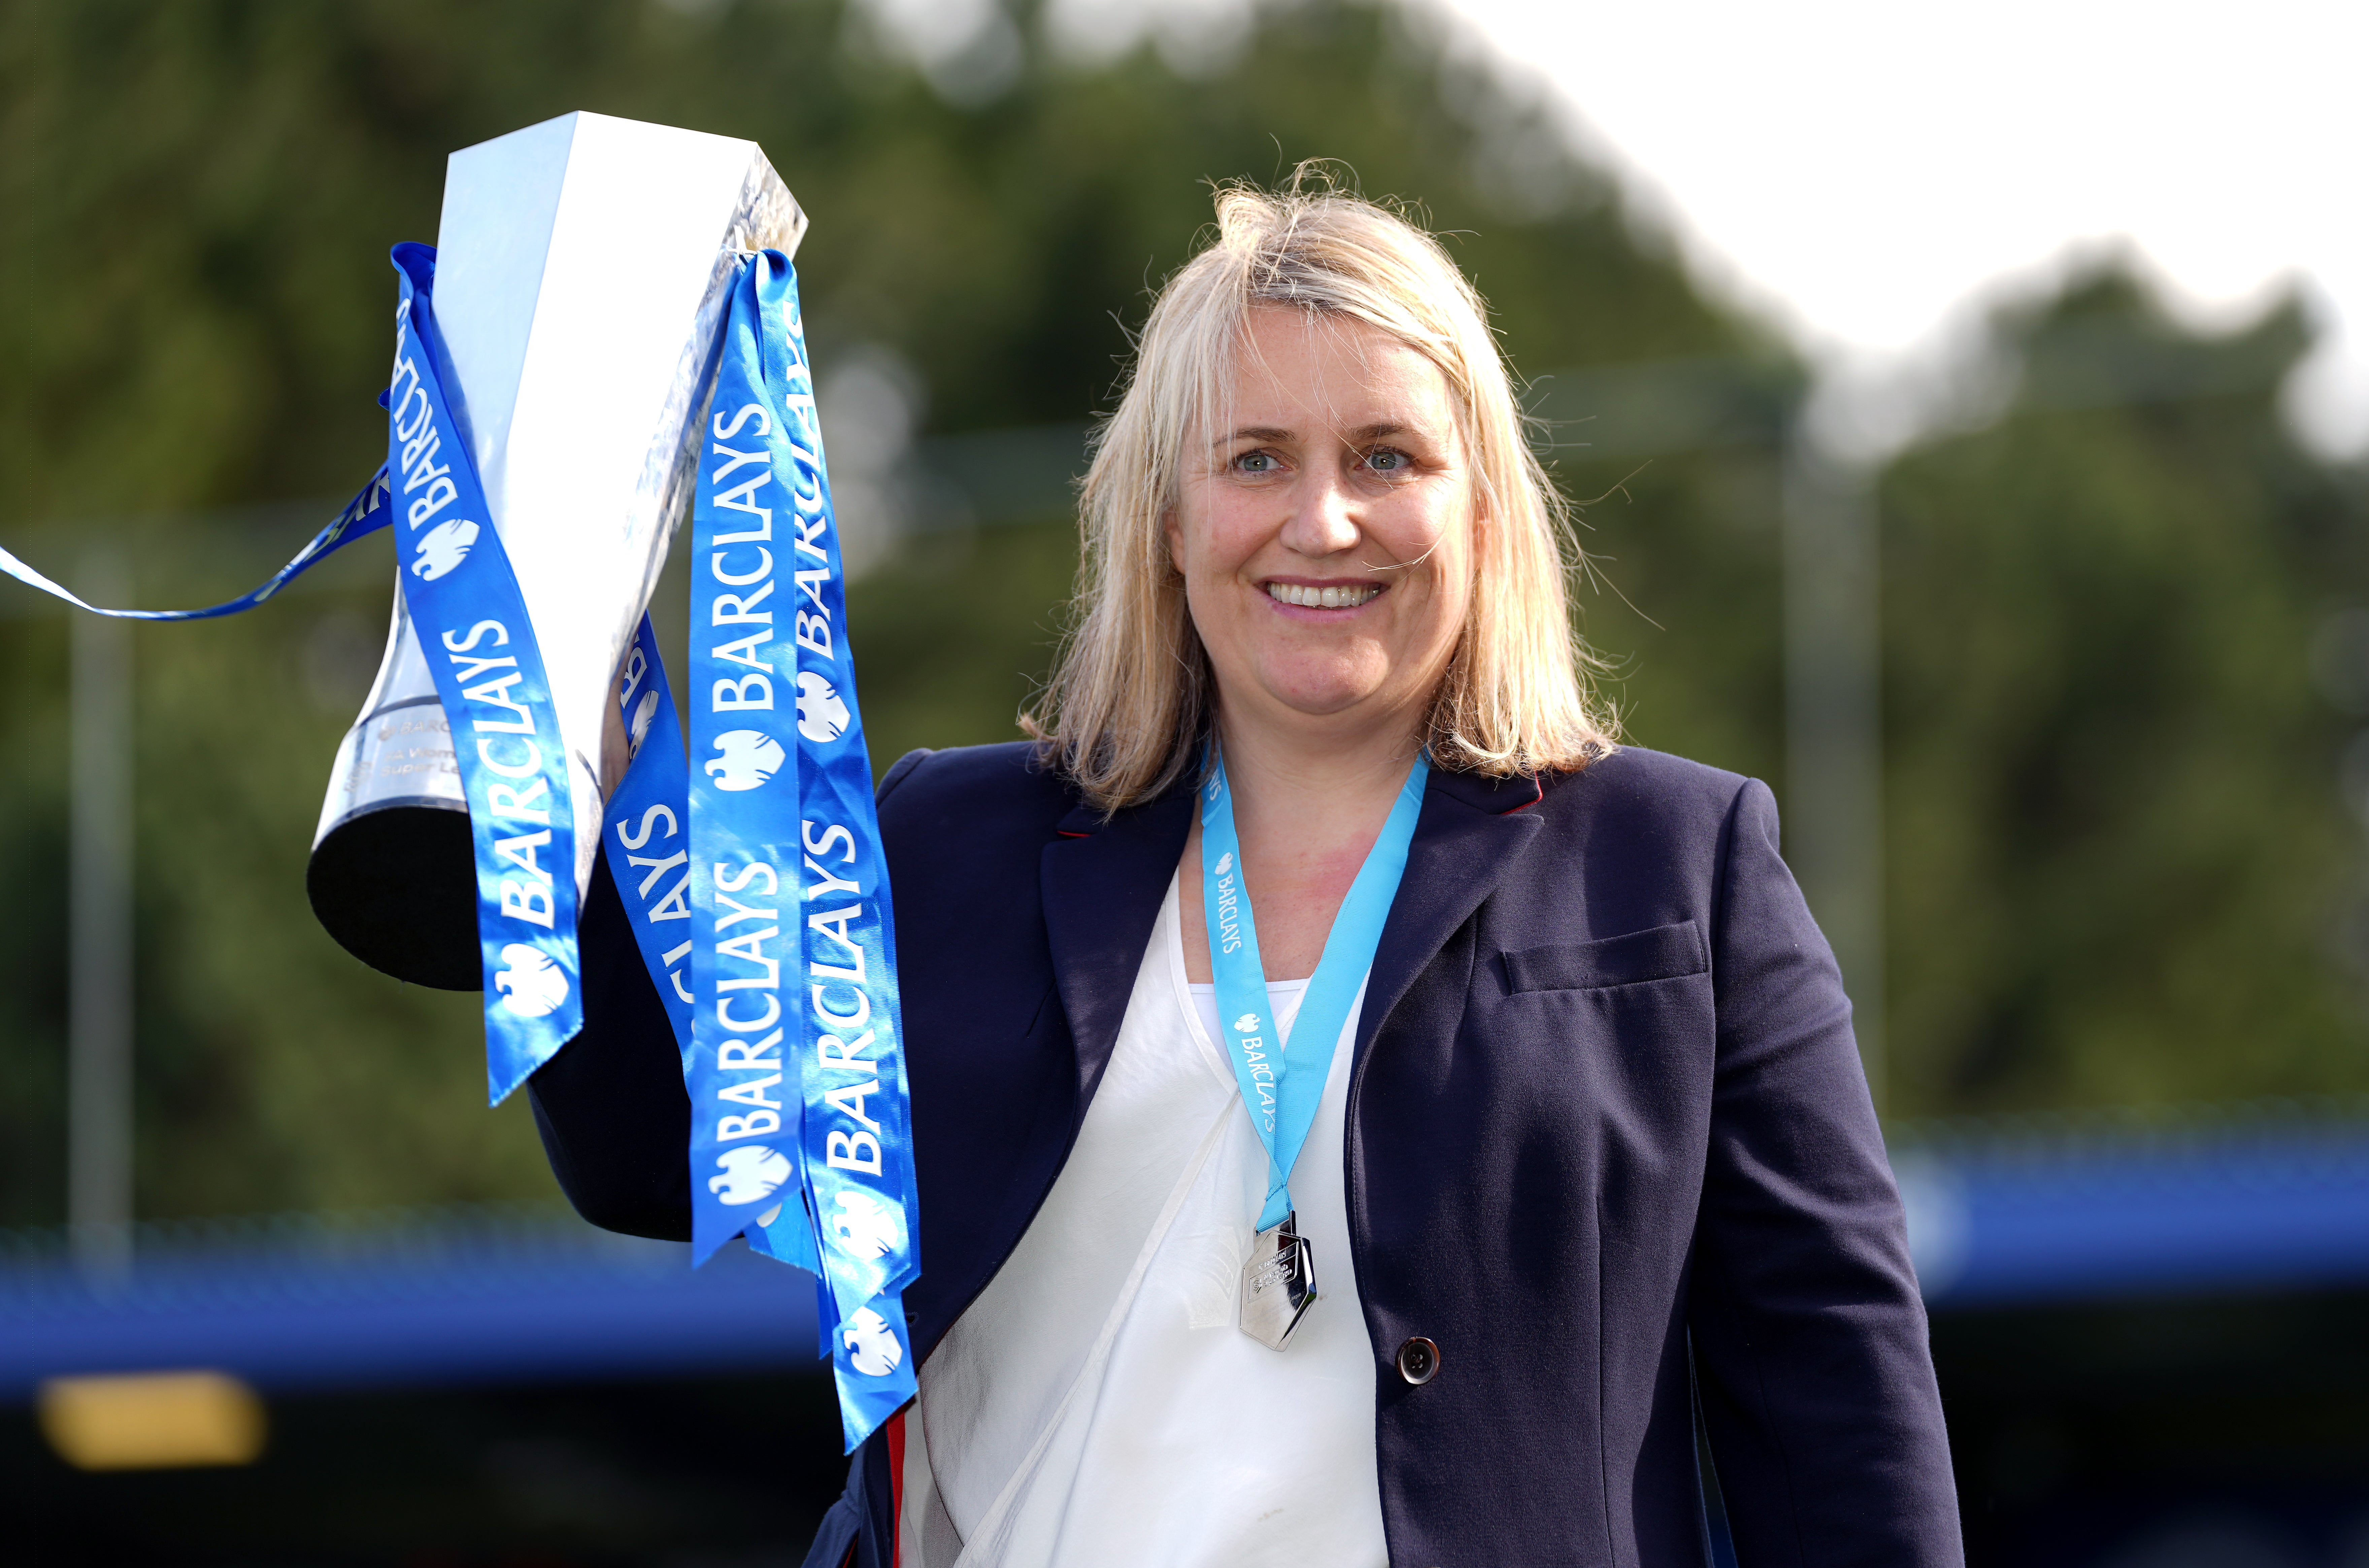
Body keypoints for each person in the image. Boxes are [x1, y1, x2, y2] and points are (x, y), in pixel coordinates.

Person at [530, 176, 1963, 1567]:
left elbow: (1838, 1422)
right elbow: (656, 1149)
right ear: (1168, 514)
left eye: (1387, 458)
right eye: (1255, 457)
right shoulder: (949, 846)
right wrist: (559, 749)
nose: (1322, 521)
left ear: (1480, 511)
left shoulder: (1675, 865)